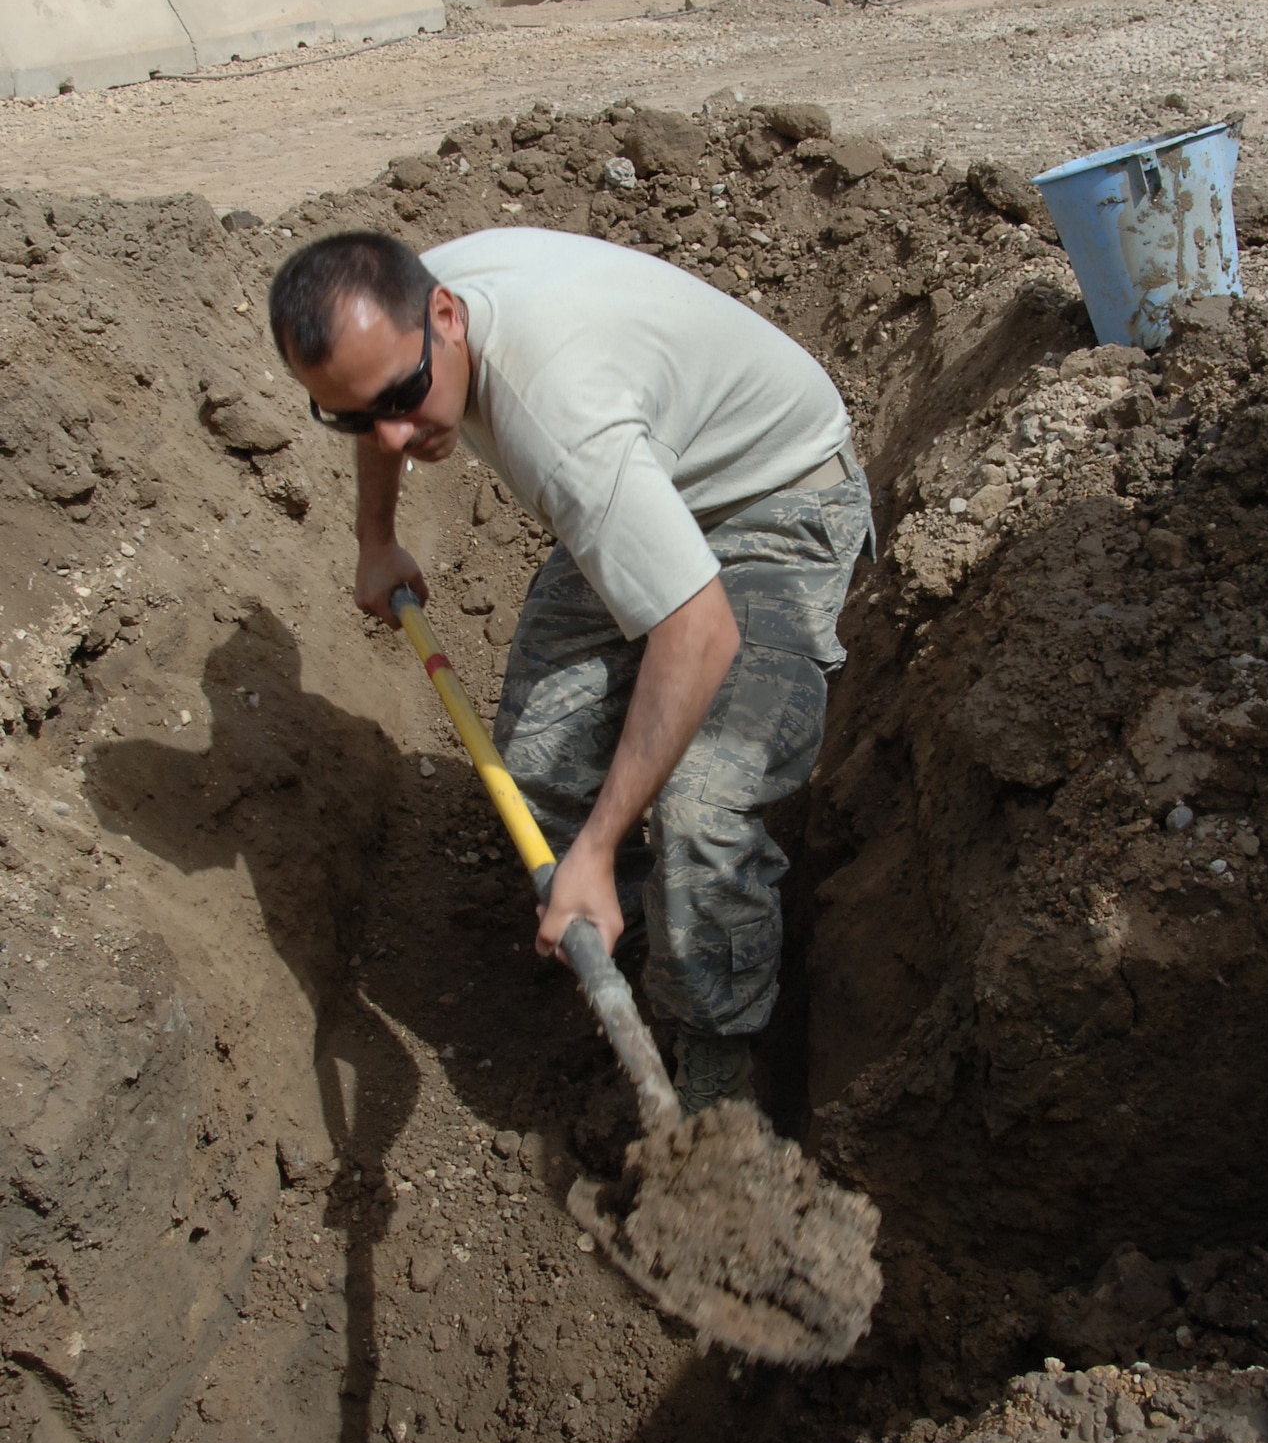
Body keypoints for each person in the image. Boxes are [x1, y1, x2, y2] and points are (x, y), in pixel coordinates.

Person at [268, 227, 871, 1114]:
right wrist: (376, 538)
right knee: (538, 771)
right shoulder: (404, 322)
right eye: (354, 417)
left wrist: (591, 849)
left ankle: (716, 1072)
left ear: (446, 317)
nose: (390, 432)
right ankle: (633, 955)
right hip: (647, 484)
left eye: (402, 397)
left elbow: (699, 632)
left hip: (770, 501)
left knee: (702, 812)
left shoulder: (559, 418)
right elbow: (377, 398)